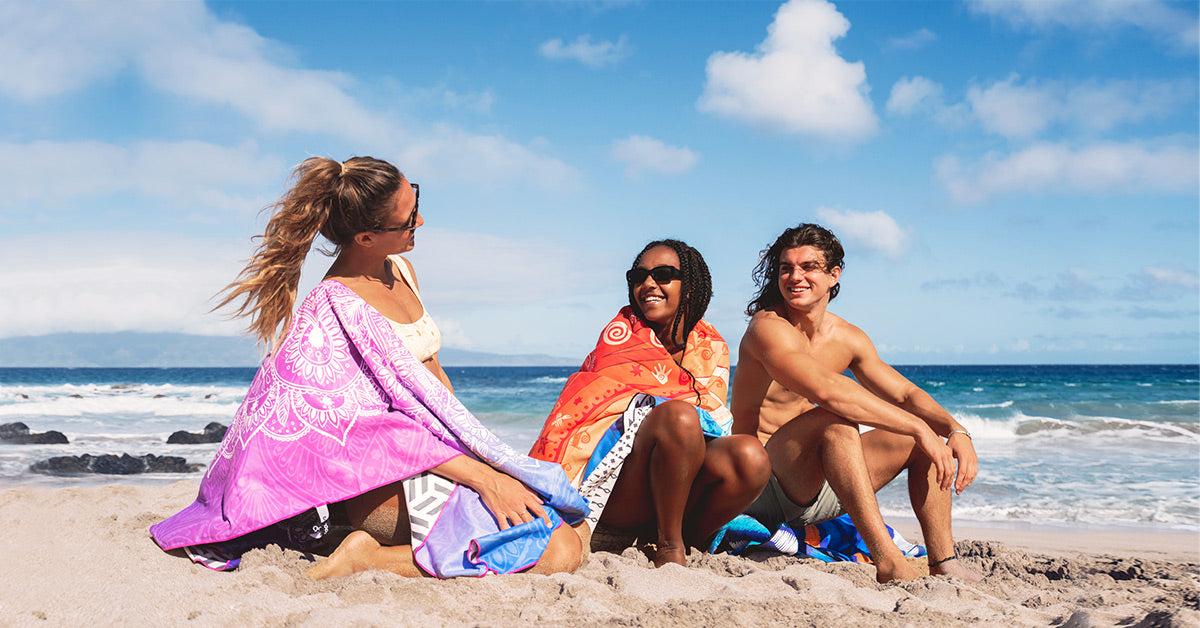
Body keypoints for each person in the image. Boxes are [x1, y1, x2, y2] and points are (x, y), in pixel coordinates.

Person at [150, 156, 588, 579]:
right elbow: (366, 430)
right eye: (408, 218)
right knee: (558, 551)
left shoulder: (402, 268)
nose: (420, 222)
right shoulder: (334, 308)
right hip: (388, 475)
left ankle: (389, 552)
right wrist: (482, 479)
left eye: (415, 204)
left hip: (446, 455)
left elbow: (434, 386)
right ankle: (367, 558)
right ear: (364, 237)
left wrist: (488, 460)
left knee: (574, 526)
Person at [731, 223, 983, 583]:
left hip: (819, 490)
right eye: (786, 267)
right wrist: (917, 425)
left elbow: (905, 394)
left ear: (834, 276)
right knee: (834, 419)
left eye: (808, 267)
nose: (794, 276)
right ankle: (889, 561)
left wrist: (954, 430)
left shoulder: (847, 337)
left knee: (916, 442)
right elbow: (826, 391)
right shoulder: (767, 328)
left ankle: (944, 560)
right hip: (761, 484)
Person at [530, 239, 770, 567]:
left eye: (663, 274)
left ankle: (690, 538)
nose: (648, 284)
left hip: (676, 485)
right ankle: (669, 548)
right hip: (612, 487)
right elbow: (591, 420)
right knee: (679, 418)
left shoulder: (711, 346)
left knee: (750, 457)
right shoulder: (621, 338)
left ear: (689, 287)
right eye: (639, 276)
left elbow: (716, 424)